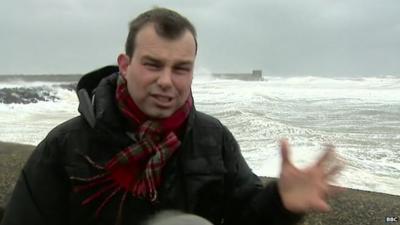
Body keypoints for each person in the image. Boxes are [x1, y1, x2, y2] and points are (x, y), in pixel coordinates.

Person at [1, 7, 343, 225]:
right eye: (153, 64)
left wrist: (281, 202)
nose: (166, 81)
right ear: (125, 65)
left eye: (181, 68)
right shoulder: (66, 145)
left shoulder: (213, 138)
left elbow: (246, 217)